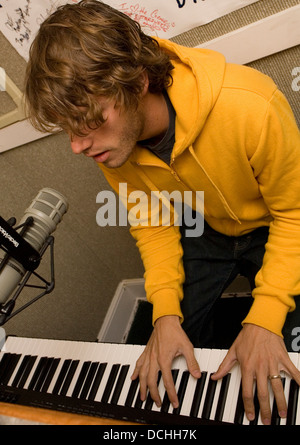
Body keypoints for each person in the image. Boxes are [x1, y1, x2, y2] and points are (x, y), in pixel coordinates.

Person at [24, 0, 300, 425]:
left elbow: (295, 216)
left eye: (88, 120)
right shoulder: (112, 148)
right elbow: (152, 225)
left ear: (135, 82)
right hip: (206, 225)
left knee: (287, 355)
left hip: (278, 225)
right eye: (67, 128)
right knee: (166, 347)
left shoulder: (251, 105)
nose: (77, 146)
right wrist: (165, 313)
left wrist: (264, 320)